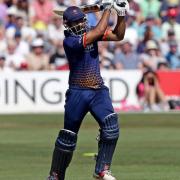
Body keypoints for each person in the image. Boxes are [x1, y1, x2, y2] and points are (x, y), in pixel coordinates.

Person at [47, 0, 129, 179]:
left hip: (98, 90)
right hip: (78, 92)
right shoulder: (70, 41)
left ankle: (102, 170)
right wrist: (108, 8)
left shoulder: (88, 29)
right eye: (75, 22)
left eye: (81, 21)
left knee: (111, 126)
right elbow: (99, 31)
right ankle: (55, 175)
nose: (79, 24)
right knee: (68, 138)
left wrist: (121, 14)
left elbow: (118, 36)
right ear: (67, 24)